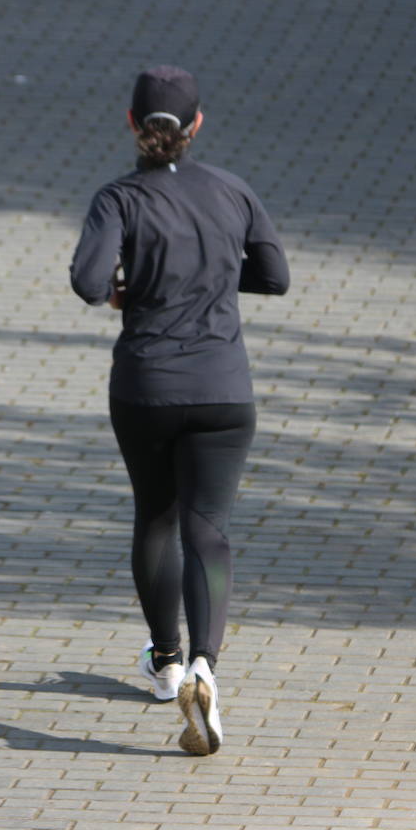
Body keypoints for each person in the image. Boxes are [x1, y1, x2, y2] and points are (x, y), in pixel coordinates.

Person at [70, 65, 290, 755]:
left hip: (146, 390)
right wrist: (221, 273)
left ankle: (165, 665)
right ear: (197, 125)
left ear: (132, 125)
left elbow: (85, 282)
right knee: (210, 531)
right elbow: (276, 277)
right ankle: (206, 666)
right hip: (225, 390)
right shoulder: (232, 190)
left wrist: (125, 288)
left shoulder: (119, 199)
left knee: (156, 517)